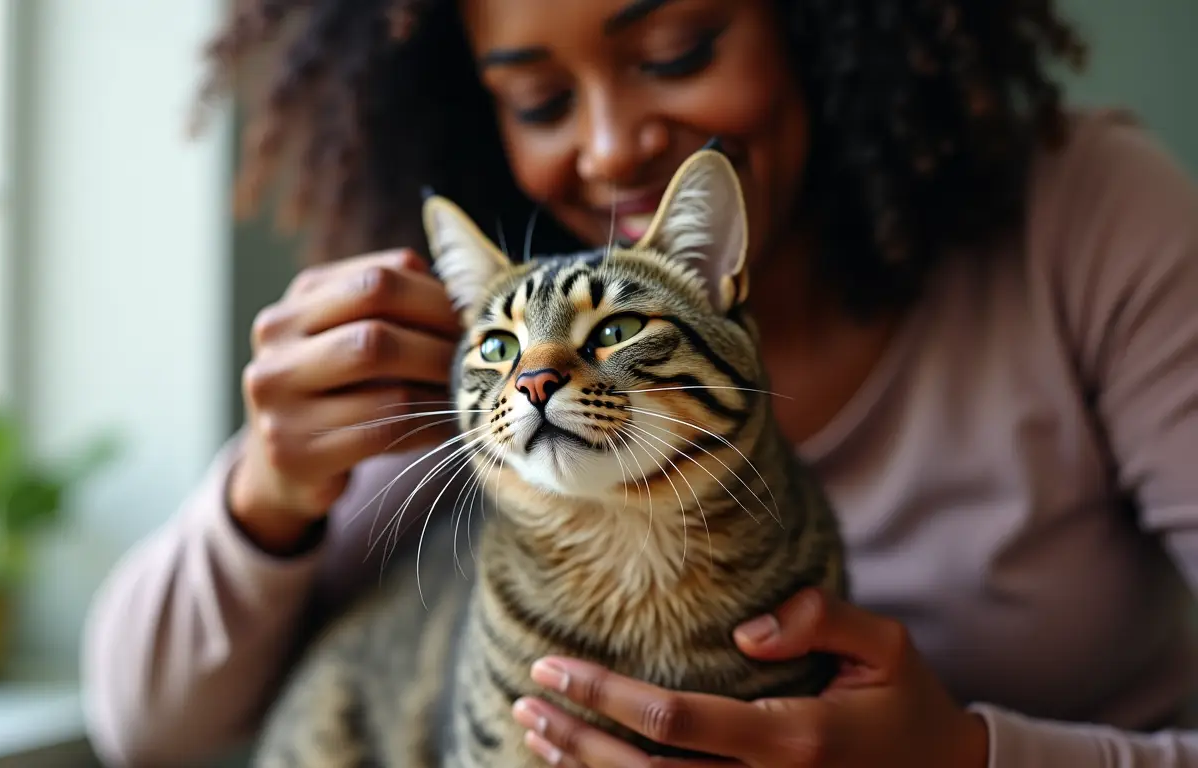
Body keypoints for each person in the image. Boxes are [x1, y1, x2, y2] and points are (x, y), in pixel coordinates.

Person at [80, 0, 1198, 765]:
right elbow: (144, 727)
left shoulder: (1089, 221)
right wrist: (269, 485)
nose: (613, 148)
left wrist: (970, 758)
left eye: (674, 49)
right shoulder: (504, 364)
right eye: (536, 102)